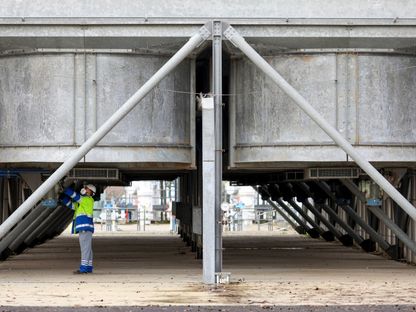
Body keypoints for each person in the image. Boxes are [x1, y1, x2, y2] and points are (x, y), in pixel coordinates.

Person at [61, 184, 96, 274]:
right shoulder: (83, 202)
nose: (84, 189)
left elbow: (75, 196)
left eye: (86, 188)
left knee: (85, 248)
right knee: (88, 248)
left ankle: (83, 269)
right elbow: (72, 206)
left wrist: (66, 189)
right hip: (85, 228)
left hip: (85, 227)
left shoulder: (87, 200)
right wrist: (62, 199)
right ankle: (88, 267)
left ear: (90, 192)